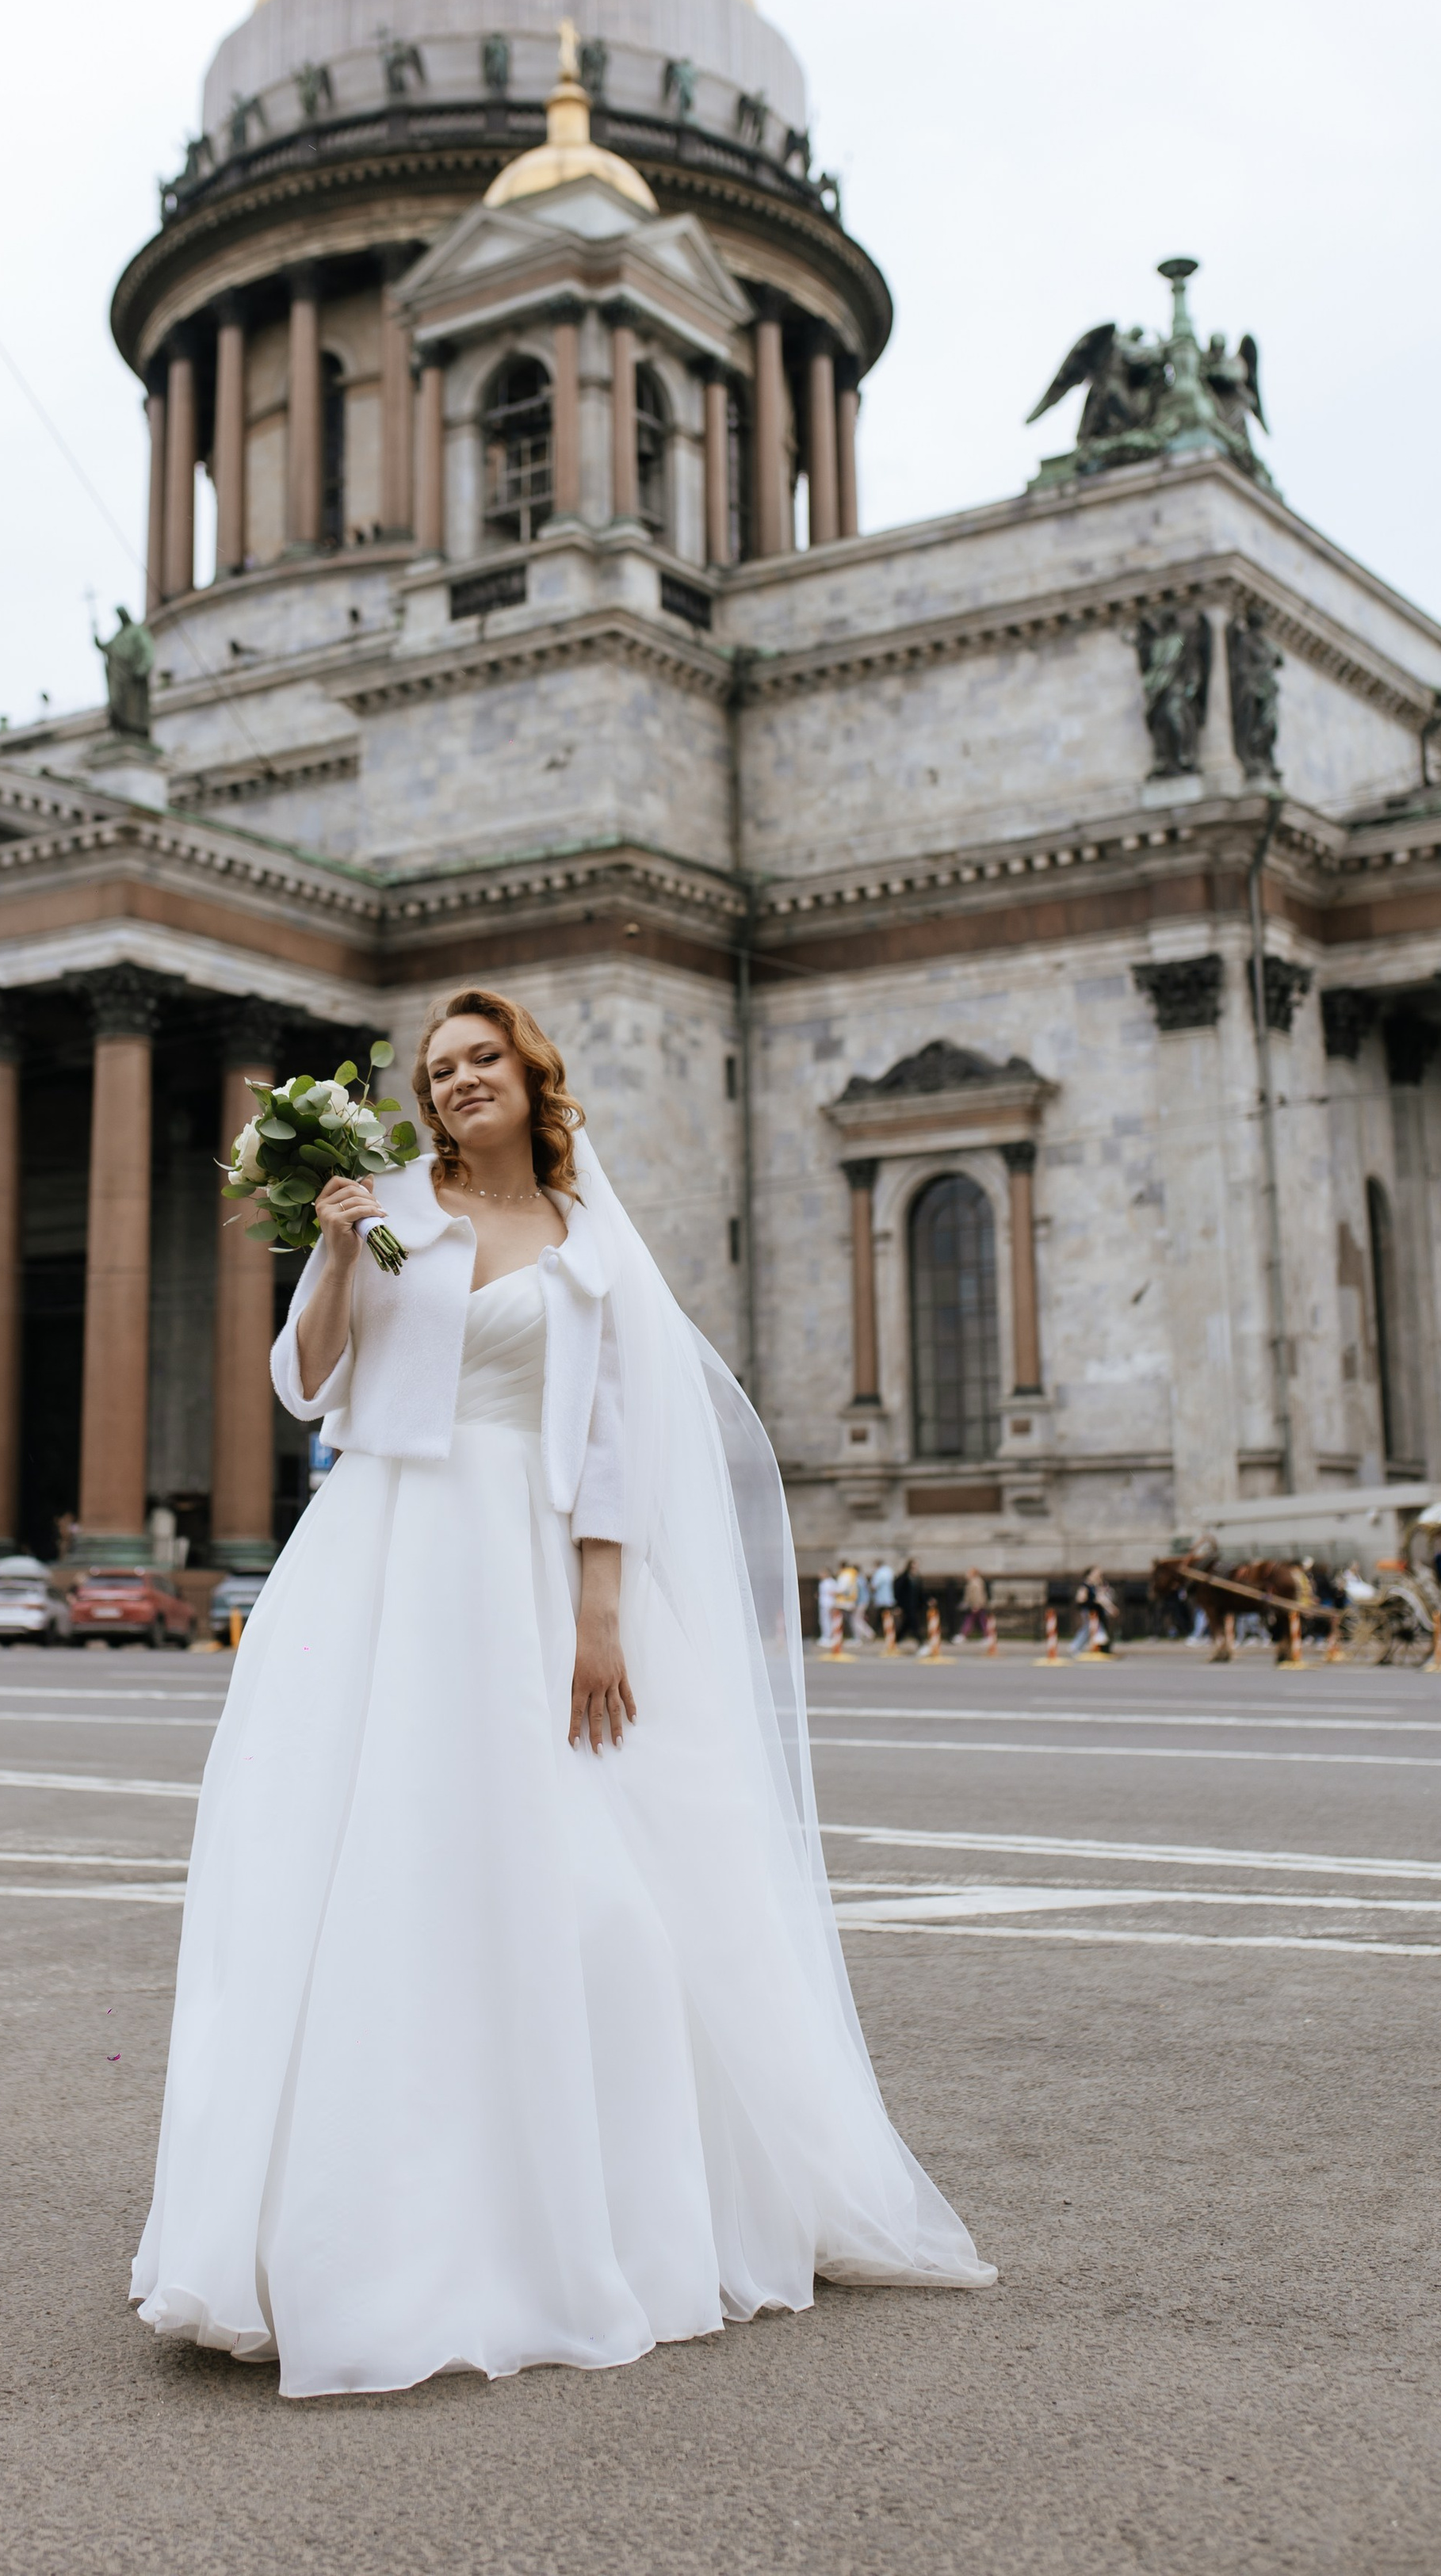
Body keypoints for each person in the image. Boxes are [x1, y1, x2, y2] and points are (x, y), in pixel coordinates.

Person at [132, 987, 993, 2395]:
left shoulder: (589, 1244)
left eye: (484, 1060)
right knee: (350, 1869)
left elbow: (611, 1436)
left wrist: (603, 1612)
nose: (461, 1079)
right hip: (377, 1558)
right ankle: (325, 2221)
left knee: (588, 1889)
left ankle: (587, 2204)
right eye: (440, 1067)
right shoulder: (387, 1202)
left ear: (533, 1079)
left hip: (524, 1572)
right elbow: (304, 1381)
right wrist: (341, 1252)